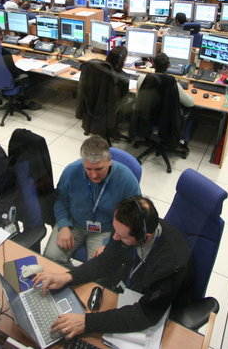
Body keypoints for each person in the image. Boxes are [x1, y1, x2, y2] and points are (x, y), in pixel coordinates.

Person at [34, 196, 194, 337]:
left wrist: (87, 322)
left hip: (158, 303)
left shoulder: (171, 264)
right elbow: (106, 261)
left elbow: (145, 315)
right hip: (131, 287)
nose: (115, 237)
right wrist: (67, 276)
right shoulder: (126, 226)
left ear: (144, 238)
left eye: (122, 236)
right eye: (115, 230)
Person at [44, 135, 140, 266]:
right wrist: (63, 225)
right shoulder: (71, 171)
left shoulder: (127, 180)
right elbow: (60, 200)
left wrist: (112, 243)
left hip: (107, 230)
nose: (94, 175)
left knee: (100, 269)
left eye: (99, 169)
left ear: (109, 160)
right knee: (51, 258)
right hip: (74, 223)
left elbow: (132, 218)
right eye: (88, 169)